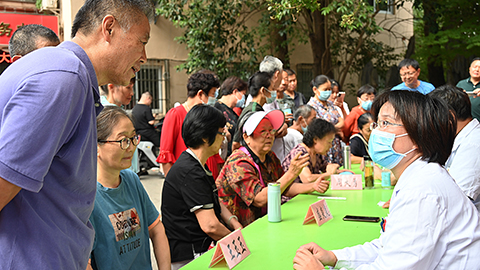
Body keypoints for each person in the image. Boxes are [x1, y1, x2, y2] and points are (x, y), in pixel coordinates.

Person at [0, 0, 154, 269]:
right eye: (142, 41)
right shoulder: (64, 76)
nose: (144, 56)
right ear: (109, 28)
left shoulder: (68, 74)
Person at [293, 90, 480, 269]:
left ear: (417, 134)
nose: (377, 132)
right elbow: (387, 247)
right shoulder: (417, 177)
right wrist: (335, 257)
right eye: (377, 124)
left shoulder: (422, 190)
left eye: (385, 123)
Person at [88, 106, 170, 270]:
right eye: (122, 140)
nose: (131, 146)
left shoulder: (131, 179)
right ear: (96, 145)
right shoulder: (86, 197)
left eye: (133, 138)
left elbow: (156, 229)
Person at [161, 105, 242, 269]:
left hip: (199, 249)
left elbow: (214, 200)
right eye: (221, 133)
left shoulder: (197, 165)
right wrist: (237, 242)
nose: (224, 138)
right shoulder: (190, 171)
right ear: (205, 137)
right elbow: (210, 225)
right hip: (189, 256)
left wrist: (234, 222)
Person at [217, 110, 327, 226]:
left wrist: (312, 186)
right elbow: (260, 199)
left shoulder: (270, 156)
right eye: (263, 131)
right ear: (246, 137)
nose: (269, 135)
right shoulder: (238, 162)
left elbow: (284, 187)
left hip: (262, 222)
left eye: (271, 130)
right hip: (237, 230)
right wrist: (291, 173)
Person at [157, 70, 220, 177]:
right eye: (212, 94)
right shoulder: (175, 115)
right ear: (200, 94)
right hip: (187, 179)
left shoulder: (208, 116)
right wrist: (175, 186)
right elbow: (166, 156)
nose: (214, 99)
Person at [429, 85, 480, 211]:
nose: (430, 123)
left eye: (433, 116)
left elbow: (457, 199)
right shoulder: (462, 137)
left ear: (449, 116)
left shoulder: (473, 144)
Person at [282, 118, 342, 202]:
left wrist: (339, 171)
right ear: (315, 139)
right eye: (329, 142)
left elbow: (327, 167)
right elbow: (308, 179)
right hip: (292, 200)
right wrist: (330, 174)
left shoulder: (316, 153)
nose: (331, 146)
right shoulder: (300, 153)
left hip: (308, 198)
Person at [232, 71, 287, 151]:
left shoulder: (257, 109)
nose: (274, 92)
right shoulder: (253, 112)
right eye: (272, 89)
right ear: (263, 91)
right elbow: (236, 143)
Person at [307, 75, 344, 166]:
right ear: (315, 89)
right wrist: (334, 130)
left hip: (335, 145)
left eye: (329, 89)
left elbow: (342, 122)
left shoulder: (331, 104)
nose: (328, 92)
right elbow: (318, 128)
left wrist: (330, 129)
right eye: (325, 90)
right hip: (322, 146)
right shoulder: (311, 107)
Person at [214, 76, 248, 158]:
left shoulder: (233, 113)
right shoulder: (216, 109)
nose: (244, 98)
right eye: (243, 94)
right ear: (235, 92)